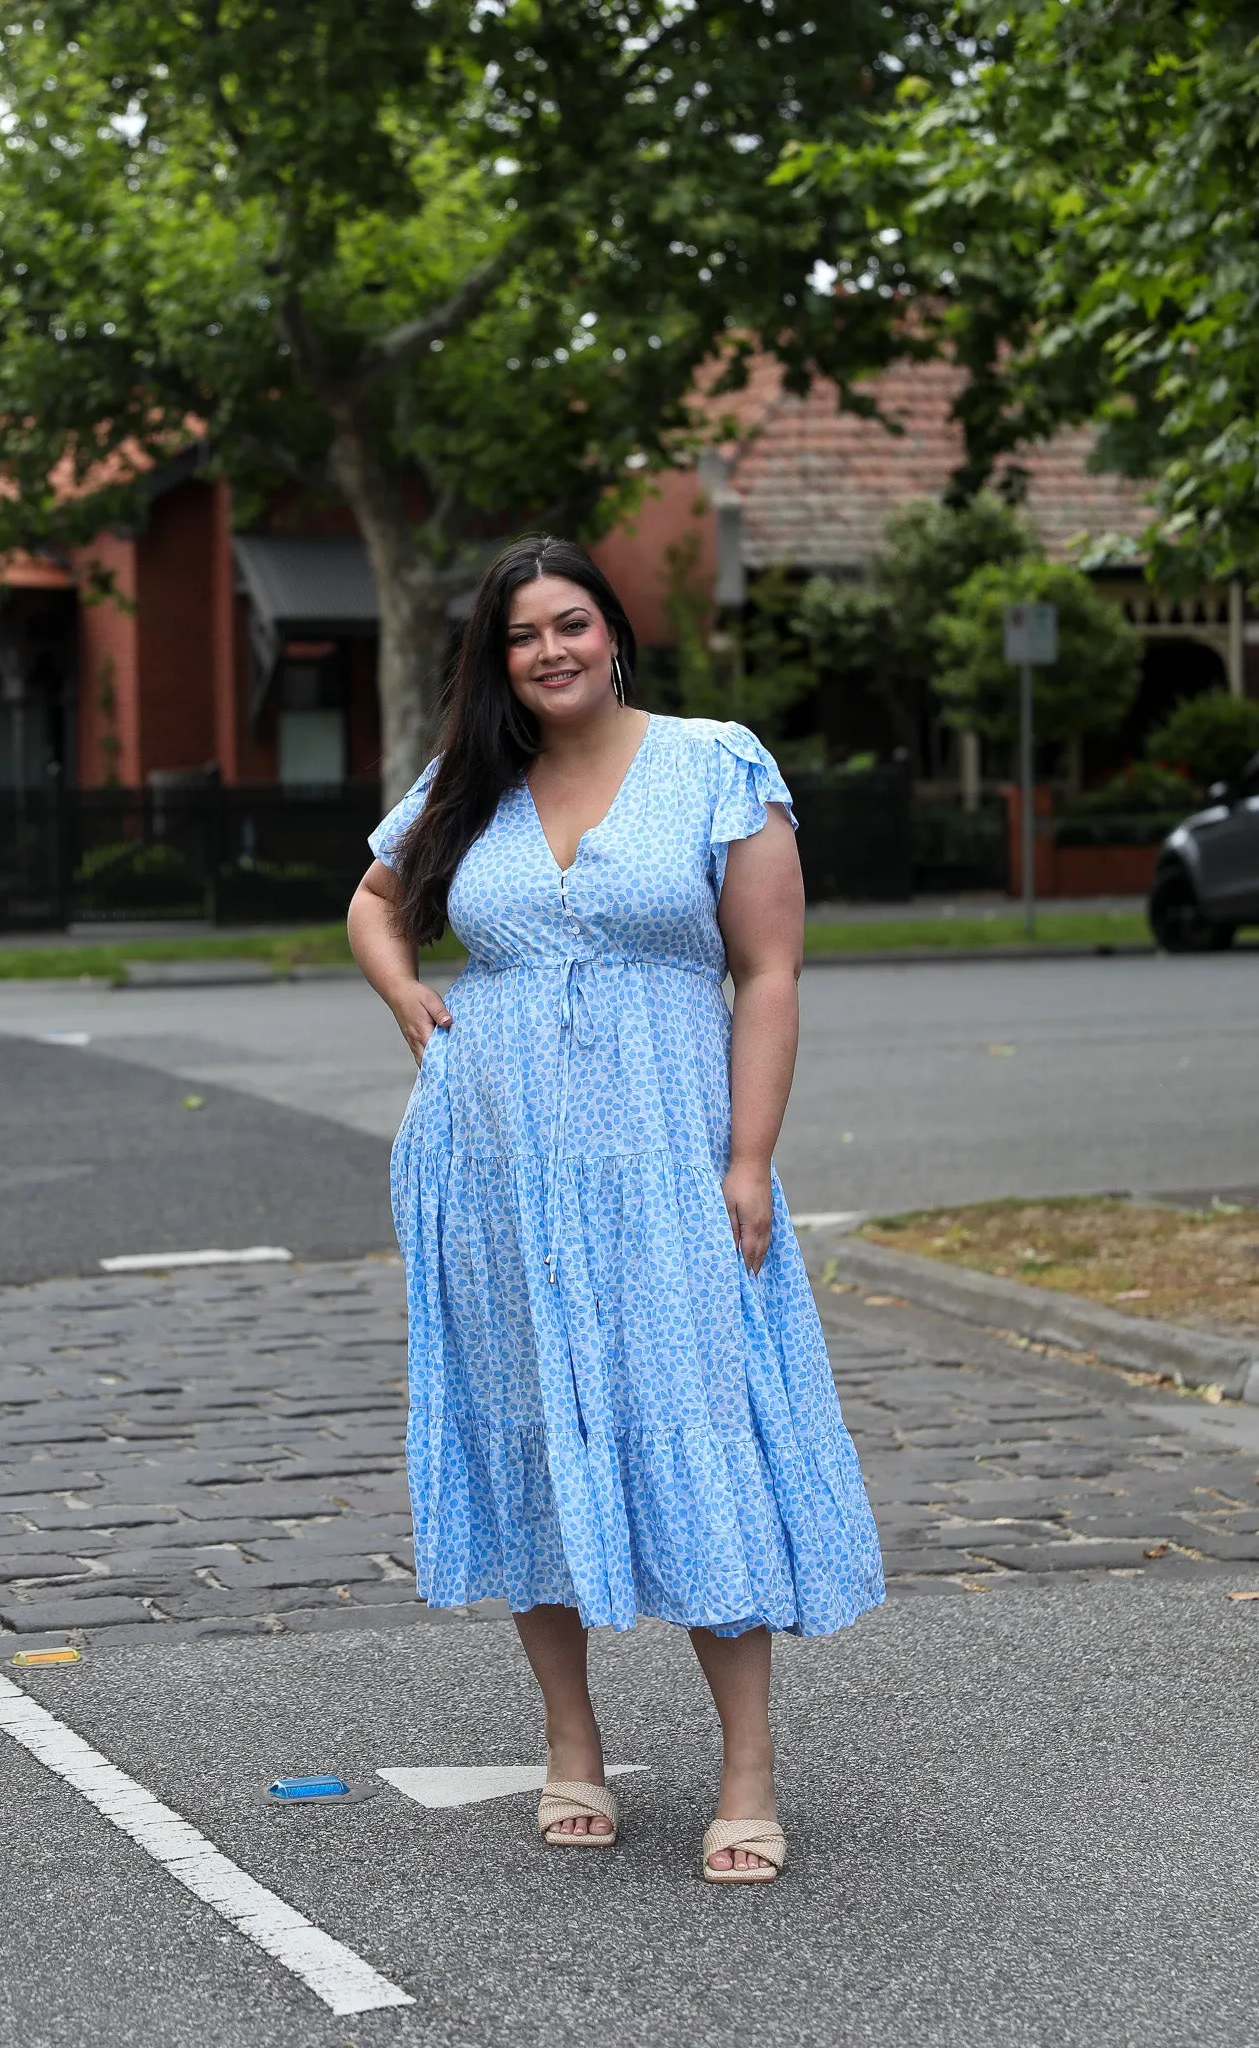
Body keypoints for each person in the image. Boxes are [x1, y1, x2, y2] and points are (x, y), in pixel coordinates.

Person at [348, 536, 883, 1883]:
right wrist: (406, 990)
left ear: (612, 630)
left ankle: (747, 1770)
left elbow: (769, 973)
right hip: (493, 1167)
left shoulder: (715, 763)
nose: (550, 651)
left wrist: (749, 1160)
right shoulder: (473, 784)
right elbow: (371, 898)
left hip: (670, 1161)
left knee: (703, 1428)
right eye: (522, 635)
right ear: (498, 659)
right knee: (528, 1434)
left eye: (570, 622)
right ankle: (570, 1741)